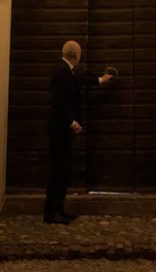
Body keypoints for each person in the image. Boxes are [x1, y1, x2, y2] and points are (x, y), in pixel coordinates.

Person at [43, 39, 114, 224]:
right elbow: (58, 99)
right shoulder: (61, 71)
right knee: (58, 171)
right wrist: (71, 121)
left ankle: (58, 209)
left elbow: (80, 79)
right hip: (60, 131)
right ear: (77, 55)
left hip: (63, 131)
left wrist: (100, 79)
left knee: (63, 171)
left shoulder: (67, 70)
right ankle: (51, 213)